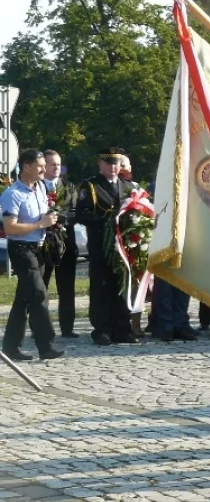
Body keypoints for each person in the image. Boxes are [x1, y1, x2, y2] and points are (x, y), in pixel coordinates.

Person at [0, 149, 65, 361]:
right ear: (26, 166)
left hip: (40, 248)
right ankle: (47, 346)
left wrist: (52, 219)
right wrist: (40, 224)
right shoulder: (12, 194)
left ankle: (10, 347)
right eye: (40, 166)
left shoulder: (41, 187)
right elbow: (10, 228)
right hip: (21, 249)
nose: (44, 170)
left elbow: (42, 217)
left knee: (24, 299)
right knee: (38, 294)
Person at [75, 147, 138, 346]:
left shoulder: (127, 186)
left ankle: (122, 329)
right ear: (100, 164)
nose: (113, 167)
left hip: (123, 247)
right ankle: (101, 330)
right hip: (101, 245)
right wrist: (108, 221)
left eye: (116, 163)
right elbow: (82, 214)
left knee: (121, 287)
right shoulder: (91, 185)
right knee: (101, 288)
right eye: (109, 163)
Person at [42, 149, 79, 338]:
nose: (56, 168)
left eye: (58, 164)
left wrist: (60, 218)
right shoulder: (37, 186)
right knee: (41, 287)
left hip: (65, 244)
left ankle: (67, 328)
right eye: (52, 164)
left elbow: (75, 212)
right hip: (43, 244)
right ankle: (40, 328)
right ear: (44, 166)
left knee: (66, 288)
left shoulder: (69, 187)